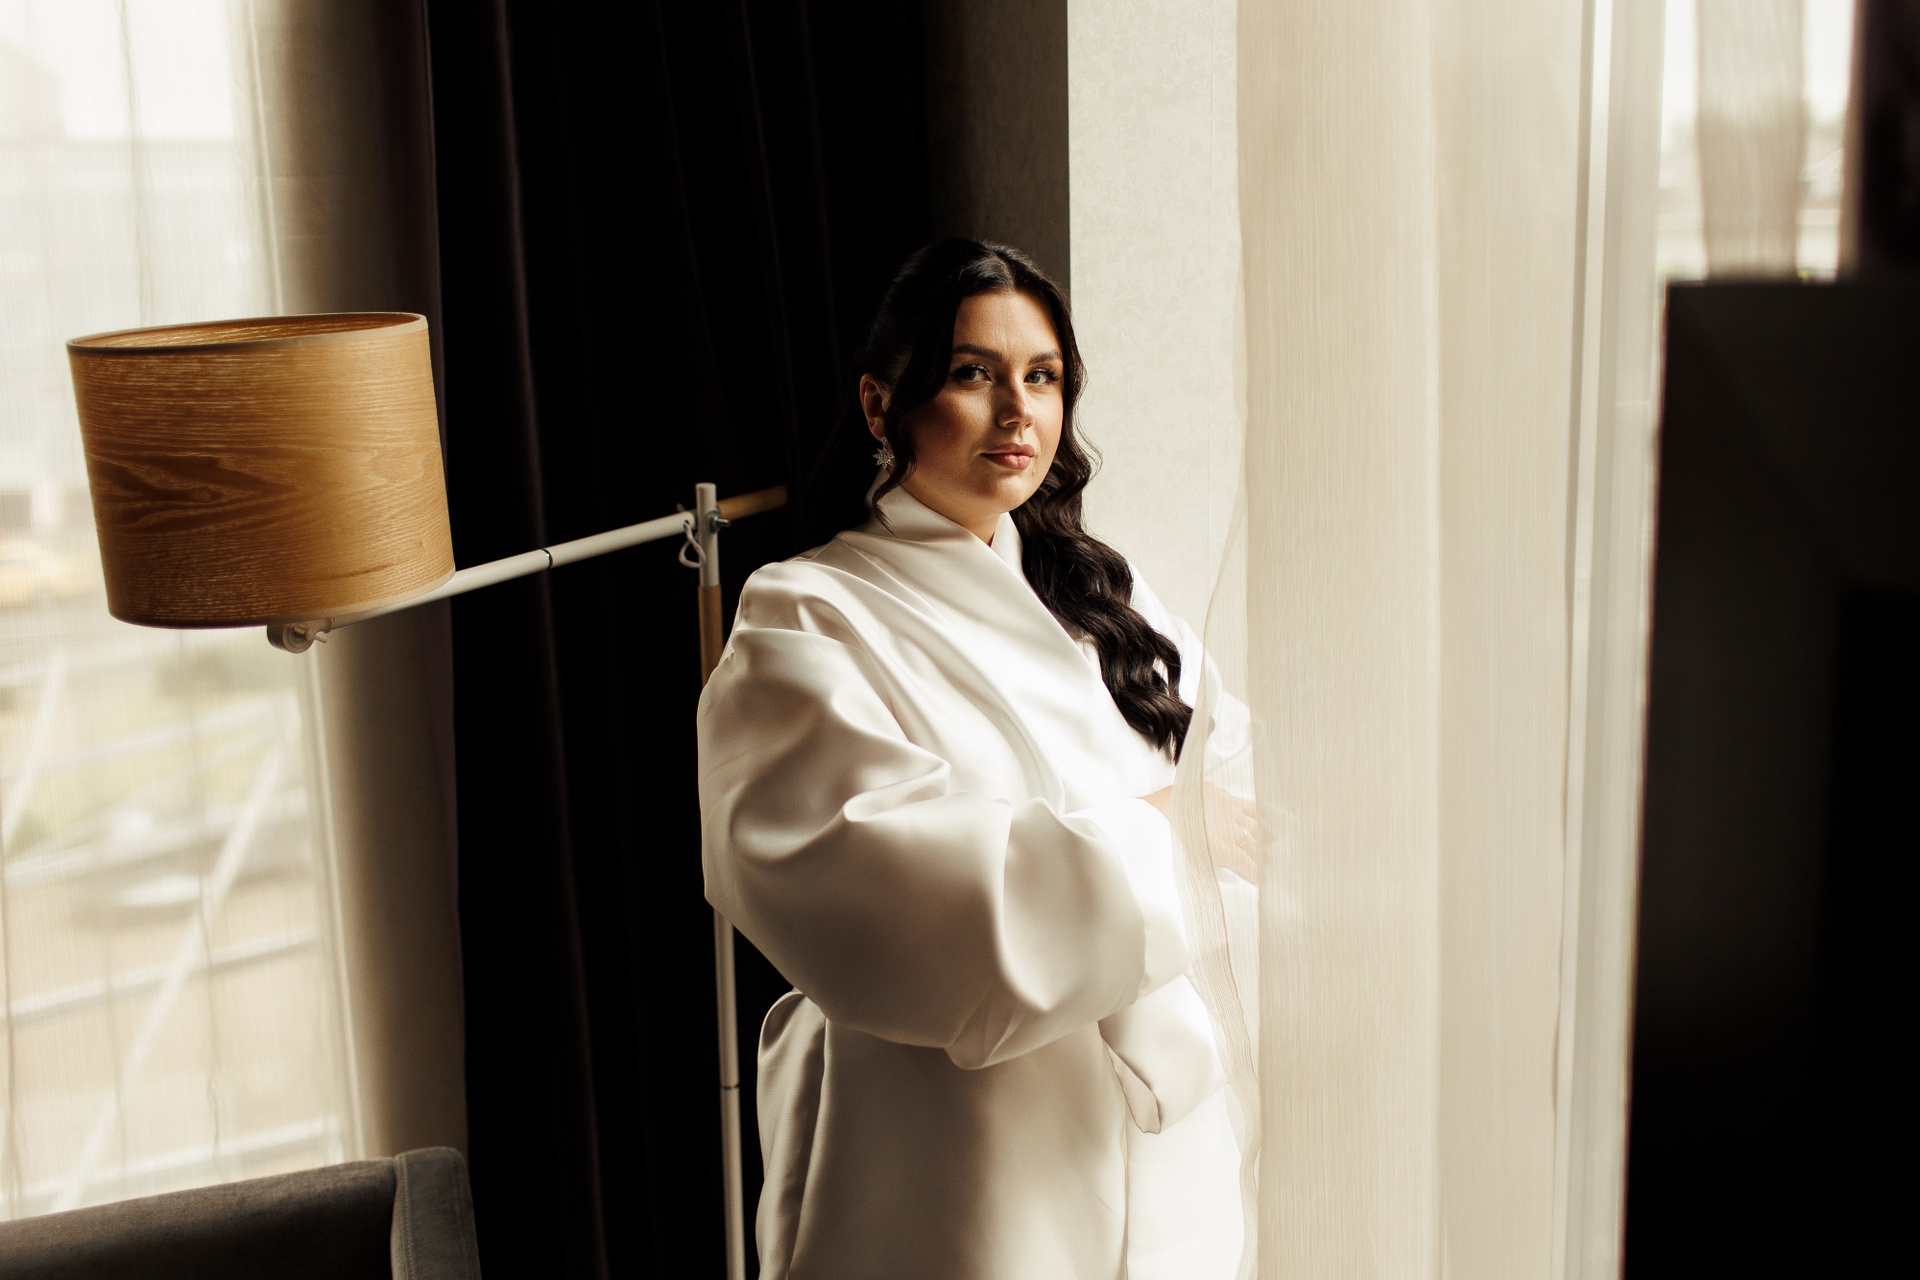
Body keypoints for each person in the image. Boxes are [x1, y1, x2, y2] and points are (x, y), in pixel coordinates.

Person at [697, 240, 1248, 1279]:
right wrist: (1161, 831)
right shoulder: (806, 617)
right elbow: (889, 892)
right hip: (951, 1160)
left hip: (1168, 1147)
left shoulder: (1107, 601)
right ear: (880, 404)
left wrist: (1186, 832)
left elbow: (1245, 795)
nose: (1017, 412)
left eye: (1043, 377)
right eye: (972, 373)